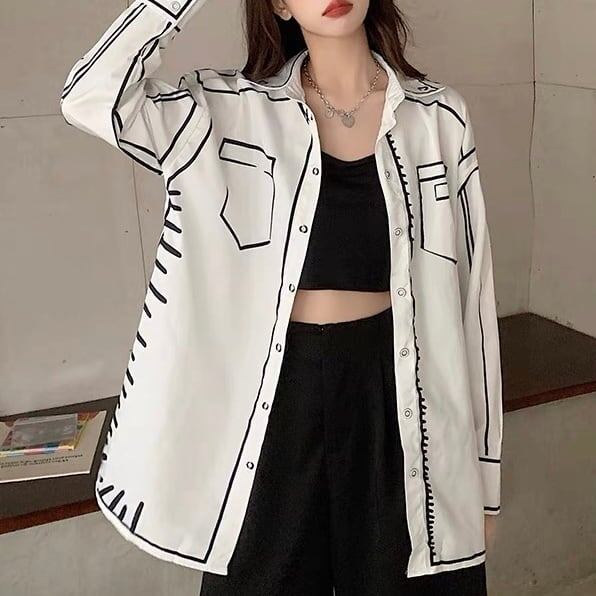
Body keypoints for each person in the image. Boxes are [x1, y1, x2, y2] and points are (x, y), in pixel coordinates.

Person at [60, 0, 503, 594]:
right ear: (278, 4)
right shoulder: (225, 112)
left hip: (397, 389)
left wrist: (485, 485)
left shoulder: (439, 117)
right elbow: (91, 97)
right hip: (273, 401)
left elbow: (474, 308)